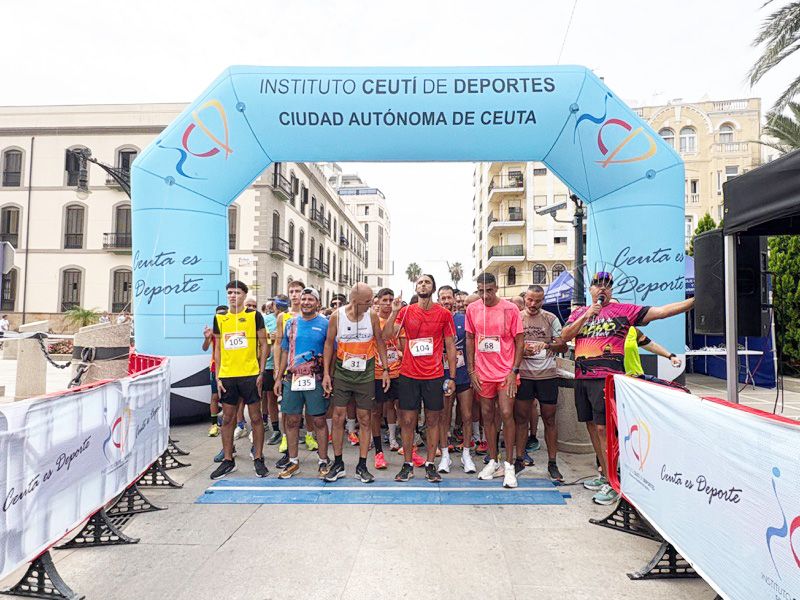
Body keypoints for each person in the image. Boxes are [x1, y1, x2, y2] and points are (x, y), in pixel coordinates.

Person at [560, 271, 694, 505]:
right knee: (591, 427)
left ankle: (616, 482)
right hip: (582, 377)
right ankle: (605, 475)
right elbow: (564, 336)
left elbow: (662, 312)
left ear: (611, 290)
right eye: (598, 284)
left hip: (607, 379)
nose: (602, 288)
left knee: (604, 430)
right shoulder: (579, 313)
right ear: (590, 290)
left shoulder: (623, 311)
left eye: (607, 285)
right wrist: (587, 316)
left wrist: (697, 300)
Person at [382, 274, 457, 483]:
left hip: (434, 375)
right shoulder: (406, 311)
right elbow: (387, 335)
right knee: (407, 421)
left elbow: (450, 346)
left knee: (433, 420)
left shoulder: (443, 314)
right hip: (408, 374)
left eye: (427, 282)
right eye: (420, 282)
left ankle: (430, 464)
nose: (423, 285)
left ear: (432, 288)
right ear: (416, 288)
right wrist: (394, 312)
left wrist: (452, 376)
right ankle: (407, 464)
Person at [323, 283, 390, 484]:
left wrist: (385, 369)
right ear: (354, 301)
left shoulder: (371, 316)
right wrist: (326, 374)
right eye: (368, 301)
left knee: (365, 418)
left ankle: (362, 465)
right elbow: (329, 344)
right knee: (338, 417)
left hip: (365, 374)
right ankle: (338, 463)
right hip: (343, 373)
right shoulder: (337, 316)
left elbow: (380, 341)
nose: (372, 304)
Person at [466, 272, 524, 489]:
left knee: (507, 413)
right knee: (487, 415)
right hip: (483, 373)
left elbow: (520, 341)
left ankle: (509, 465)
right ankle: (493, 460)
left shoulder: (510, 309)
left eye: (489, 291)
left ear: (496, 288)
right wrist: (472, 370)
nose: (485, 295)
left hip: (506, 372)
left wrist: (514, 371)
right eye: (480, 291)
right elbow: (470, 338)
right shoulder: (473, 309)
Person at [210, 280, 269, 480]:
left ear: (244, 295)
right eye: (230, 293)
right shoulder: (220, 318)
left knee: (256, 418)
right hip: (228, 375)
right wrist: (218, 375)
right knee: (227, 419)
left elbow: (264, 344)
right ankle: (228, 460)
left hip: (250, 374)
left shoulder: (254, 316)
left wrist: (261, 372)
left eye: (236, 293)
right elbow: (218, 348)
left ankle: (258, 457)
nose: (233, 296)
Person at [272, 287, 331, 478]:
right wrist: (279, 378)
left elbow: (331, 352)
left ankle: (323, 461)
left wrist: (329, 376)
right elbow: (284, 351)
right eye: (303, 299)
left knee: (319, 420)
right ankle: (293, 461)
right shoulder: (291, 323)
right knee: (291, 420)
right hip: (292, 379)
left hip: (316, 379)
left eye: (310, 299)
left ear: (318, 303)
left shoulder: (325, 323)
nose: (306, 302)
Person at [516, 285, 568, 481]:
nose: (533, 304)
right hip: (524, 375)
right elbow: (508, 343)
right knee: (521, 418)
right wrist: (522, 350)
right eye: (530, 300)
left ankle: (552, 463)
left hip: (547, 376)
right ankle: (519, 459)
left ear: (543, 301)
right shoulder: (517, 317)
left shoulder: (550, 318)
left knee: (549, 419)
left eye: (537, 301)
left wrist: (546, 345)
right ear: (525, 298)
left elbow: (562, 345)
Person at [437, 286, 477, 474]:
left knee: (467, 415)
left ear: (454, 299)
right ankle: (445, 455)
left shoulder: (464, 319)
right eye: (442, 298)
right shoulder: (436, 319)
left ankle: (466, 454)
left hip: (463, 376)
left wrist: (473, 370)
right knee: (444, 416)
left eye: (449, 297)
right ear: (439, 300)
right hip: (443, 376)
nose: (446, 301)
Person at [372, 288, 403, 469]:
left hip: (396, 372)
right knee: (376, 411)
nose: (388, 303)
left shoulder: (399, 322)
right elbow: (384, 336)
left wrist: (400, 352)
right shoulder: (373, 320)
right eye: (384, 300)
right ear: (377, 301)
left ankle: (392, 438)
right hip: (376, 372)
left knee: (394, 407)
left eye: (391, 300)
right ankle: (378, 449)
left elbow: (399, 342)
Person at [203, 305, 229, 440]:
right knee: (214, 396)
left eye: (224, 314)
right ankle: (214, 424)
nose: (221, 316)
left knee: (230, 398)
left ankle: (231, 422)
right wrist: (207, 338)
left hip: (231, 368)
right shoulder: (213, 332)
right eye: (219, 314)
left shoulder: (232, 329)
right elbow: (204, 348)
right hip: (215, 368)